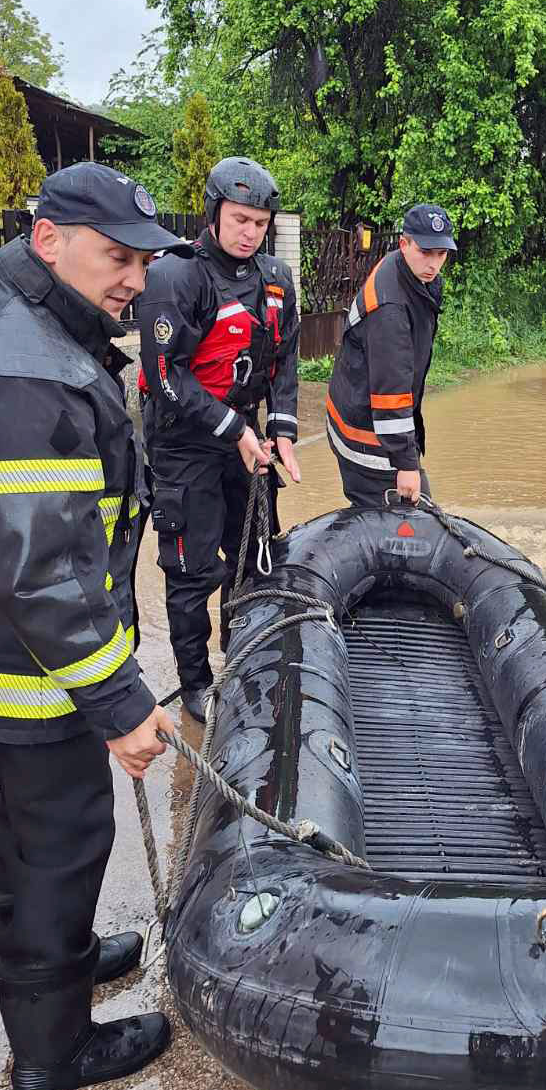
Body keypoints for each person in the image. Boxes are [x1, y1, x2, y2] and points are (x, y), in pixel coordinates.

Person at [0, 161, 179, 1090]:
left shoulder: (32, 325)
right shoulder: (21, 375)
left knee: (34, 829)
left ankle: (62, 958)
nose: (135, 280)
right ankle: (53, 1049)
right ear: (49, 240)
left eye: (143, 261)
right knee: (60, 841)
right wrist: (120, 704)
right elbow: (39, 573)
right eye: (117, 257)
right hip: (30, 667)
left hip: (24, 653)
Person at [137, 157, 300, 720]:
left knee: (253, 556)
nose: (249, 232)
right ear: (214, 213)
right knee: (191, 571)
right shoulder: (177, 277)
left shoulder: (275, 280)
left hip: (246, 438)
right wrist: (234, 429)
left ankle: (244, 653)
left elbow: (283, 361)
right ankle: (195, 684)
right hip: (184, 442)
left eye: (260, 223)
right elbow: (165, 377)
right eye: (239, 220)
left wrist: (282, 429)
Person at [325, 204, 455, 509]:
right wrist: (406, 464)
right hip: (365, 436)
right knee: (411, 518)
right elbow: (391, 392)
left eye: (441, 254)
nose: (433, 264)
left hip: (369, 417)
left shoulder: (408, 271)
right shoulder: (390, 309)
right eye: (425, 252)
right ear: (404, 243)